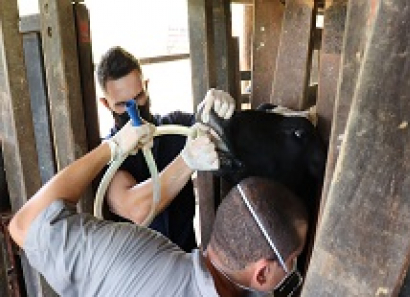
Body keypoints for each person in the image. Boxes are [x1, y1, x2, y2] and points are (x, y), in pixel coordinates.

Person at [8, 121, 309, 296]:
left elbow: (23, 225)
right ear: (262, 273)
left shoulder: (131, 254)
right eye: (292, 260)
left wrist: (111, 147)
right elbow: (133, 206)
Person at [96, 46, 235, 251]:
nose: (134, 110)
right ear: (106, 104)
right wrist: (186, 161)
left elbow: (213, 133)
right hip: (141, 274)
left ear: (146, 86)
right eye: (123, 105)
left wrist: (218, 112)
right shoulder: (110, 155)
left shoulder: (175, 127)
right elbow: (138, 210)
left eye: (139, 97)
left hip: (186, 259)